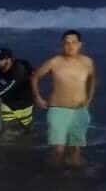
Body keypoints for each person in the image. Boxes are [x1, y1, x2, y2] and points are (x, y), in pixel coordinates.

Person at [31, 30, 97, 167]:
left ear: (80, 44)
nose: (70, 45)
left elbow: (93, 78)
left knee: (75, 152)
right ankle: (53, 179)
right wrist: (37, 97)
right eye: (66, 42)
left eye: (74, 42)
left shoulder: (88, 62)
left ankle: (74, 183)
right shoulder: (54, 62)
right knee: (58, 151)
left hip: (80, 111)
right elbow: (35, 76)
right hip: (58, 110)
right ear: (62, 44)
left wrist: (89, 99)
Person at [0, 47, 35, 131]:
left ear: (9, 60)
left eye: (1, 59)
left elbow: (11, 86)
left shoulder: (19, 69)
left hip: (25, 103)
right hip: (8, 104)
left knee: (27, 129)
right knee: (7, 130)